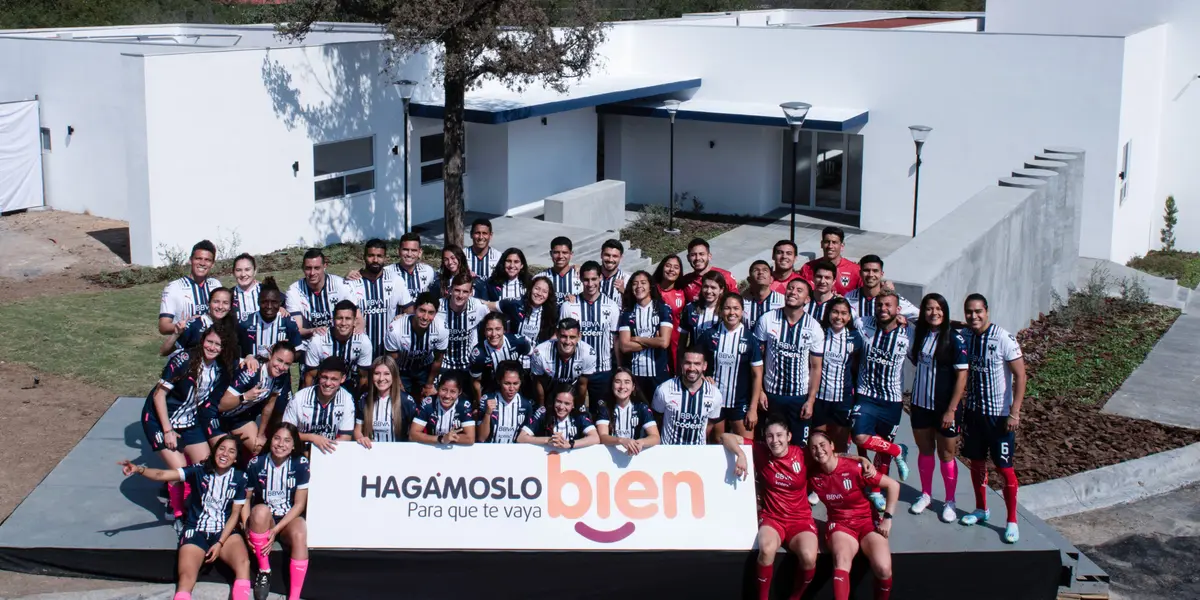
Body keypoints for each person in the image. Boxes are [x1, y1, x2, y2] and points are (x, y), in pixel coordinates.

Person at [118, 436, 251, 600]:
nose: (225, 454)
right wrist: (138, 469)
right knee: (186, 578)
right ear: (214, 451)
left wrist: (220, 542)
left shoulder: (240, 478)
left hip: (224, 533)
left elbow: (236, 513)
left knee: (243, 565)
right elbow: (162, 474)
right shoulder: (198, 470)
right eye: (221, 448)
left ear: (236, 457)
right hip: (196, 531)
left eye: (231, 451)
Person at [141, 326, 238, 522]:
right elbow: (160, 395)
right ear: (202, 340)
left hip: (189, 420)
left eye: (217, 344)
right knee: (180, 468)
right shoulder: (184, 359)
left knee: (207, 466)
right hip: (160, 419)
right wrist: (167, 430)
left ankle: (203, 506)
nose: (211, 347)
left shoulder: (222, 367)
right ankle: (177, 511)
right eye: (209, 341)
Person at [720, 417, 818, 600]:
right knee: (766, 550)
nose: (775, 441)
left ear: (789, 436)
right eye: (770, 436)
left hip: (801, 520)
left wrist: (861, 458)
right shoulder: (761, 450)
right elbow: (726, 436)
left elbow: (834, 456)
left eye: (779, 435)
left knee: (809, 557)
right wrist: (741, 454)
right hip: (773, 518)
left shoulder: (803, 454)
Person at [959, 293, 1026, 544]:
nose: (974, 316)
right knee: (977, 464)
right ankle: (981, 508)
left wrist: (1014, 412)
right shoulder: (965, 335)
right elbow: (950, 326)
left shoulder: (1004, 338)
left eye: (978, 311)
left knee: (1004, 469)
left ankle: (1011, 520)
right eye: (969, 312)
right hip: (974, 414)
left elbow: (1020, 376)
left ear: (987, 311)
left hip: (999, 417)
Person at [808, 431, 900, 600]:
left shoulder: (855, 468)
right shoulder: (812, 474)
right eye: (813, 448)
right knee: (842, 561)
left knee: (884, 568)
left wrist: (887, 519)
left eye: (822, 445)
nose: (819, 450)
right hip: (840, 524)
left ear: (832, 446)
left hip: (867, 521)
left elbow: (893, 485)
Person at [908, 293, 969, 522]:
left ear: (945, 311)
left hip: (945, 408)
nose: (934, 313)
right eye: (929, 309)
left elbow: (962, 376)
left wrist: (951, 409)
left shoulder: (955, 339)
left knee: (946, 454)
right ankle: (926, 494)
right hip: (920, 405)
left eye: (939, 309)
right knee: (925, 451)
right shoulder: (919, 335)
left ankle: (950, 501)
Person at [852, 291, 914, 510]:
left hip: (892, 400)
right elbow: (841, 307)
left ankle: (877, 489)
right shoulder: (864, 323)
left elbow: (920, 356)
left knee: (881, 451)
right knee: (860, 437)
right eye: (879, 305)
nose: (883, 308)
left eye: (888, 305)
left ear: (898, 310)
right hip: (866, 395)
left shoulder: (908, 334)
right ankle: (898, 450)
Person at [754, 278, 824, 446]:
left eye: (799, 290)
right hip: (771, 395)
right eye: (791, 288)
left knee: (799, 446)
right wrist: (760, 392)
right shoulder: (768, 319)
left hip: (798, 397)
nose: (793, 292)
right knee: (769, 443)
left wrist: (811, 400)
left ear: (807, 300)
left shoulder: (813, 327)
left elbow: (816, 367)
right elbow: (757, 360)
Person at [244, 423, 310, 600]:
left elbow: (299, 505)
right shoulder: (256, 463)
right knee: (259, 511)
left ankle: (294, 596)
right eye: (277, 438)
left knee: (300, 530)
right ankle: (264, 571)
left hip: (286, 519)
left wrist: (276, 530)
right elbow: (246, 500)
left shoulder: (301, 464)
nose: (281, 444)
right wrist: (246, 529)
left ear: (294, 445)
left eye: (287, 440)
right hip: (266, 519)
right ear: (270, 440)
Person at [211, 342, 296, 456]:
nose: (281, 367)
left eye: (287, 364)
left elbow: (269, 406)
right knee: (225, 454)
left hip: (238, 418)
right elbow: (221, 405)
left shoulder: (281, 377)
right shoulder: (252, 371)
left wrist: (260, 434)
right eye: (279, 360)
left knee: (261, 450)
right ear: (270, 356)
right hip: (214, 416)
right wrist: (244, 397)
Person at [697, 293, 763, 440]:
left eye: (736, 308)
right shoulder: (709, 335)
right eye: (727, 308)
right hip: (714, 400)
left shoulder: (750, 339)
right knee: (715, 446)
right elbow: (694, 363)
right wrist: (702, 377)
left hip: (740, 403)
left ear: (742, 311)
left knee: (746, 446)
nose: (732, 313)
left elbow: (757, 375)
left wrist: (753, 409)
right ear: (720, 310)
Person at [562, 261, 621, 417]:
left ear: (600, 278)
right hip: (575, 367)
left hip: (602, 369)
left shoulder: (611, 306)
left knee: (601, 413)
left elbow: (615, 339)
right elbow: (562, 337)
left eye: (594, 279)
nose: (590, 284)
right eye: (586, 280)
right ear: (580, 280)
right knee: (572, 411)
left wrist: (619, 365)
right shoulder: (569, 306)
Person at [285, 248, 361, 355]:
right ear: (302, 268)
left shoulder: (340, 285)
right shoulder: (294, 290)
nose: (312, 273)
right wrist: (313, 331)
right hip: (311, 347)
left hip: (340, 345)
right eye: (308, 268)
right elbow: (297, 330)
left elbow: (358, 319)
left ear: (325, 266)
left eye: (317, 268)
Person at [813, 298, 863, 455]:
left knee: (840, 444)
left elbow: (856, 365)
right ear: (828, 313)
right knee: (818, 441)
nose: (839, 317)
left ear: (849, 317)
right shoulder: (818, 331)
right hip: (819, 398)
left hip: (843, 399)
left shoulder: (855, 337)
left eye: (844, 313)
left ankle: (839, 477)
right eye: (835, 312)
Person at [349, 239, 414, 358]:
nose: (375, 260)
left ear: (385, 258)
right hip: (359, 349)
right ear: (364, 257)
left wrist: (403, 317)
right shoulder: (352, 282)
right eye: (371, 256)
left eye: (379, 256)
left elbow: (410, 309)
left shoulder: (395, 280)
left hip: (387, 350)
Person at [618, 270, 675, 401]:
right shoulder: (627, 312)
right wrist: (653, 341)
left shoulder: (663, 309)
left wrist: (638, 339)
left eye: (643, 283)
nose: (639, 286)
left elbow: (664, 342)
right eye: (635, 283)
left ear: (650, 286)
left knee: (658, 414)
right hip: (635, 374)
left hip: (658, 373)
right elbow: (625, 346)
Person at [282, 357, 355, 454]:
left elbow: (345, 437)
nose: (328, 383)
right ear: (319, 375)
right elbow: (285, 433)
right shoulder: (299, 398)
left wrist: (322, 454)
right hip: (299, 451)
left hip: (329, 453)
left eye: (334, 379)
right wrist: (312, 438)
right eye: (324, 377)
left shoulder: (347, 399)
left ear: (343, 379)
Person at [652, 346, 723, 445]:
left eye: (697, 364)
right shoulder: (664, 389)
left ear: (704, 366)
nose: (692, 368)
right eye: (687, 363)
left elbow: (710, 424)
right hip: (669, 452)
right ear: (681, 364)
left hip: (697, 452)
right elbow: (657, 420)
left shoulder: (715, 394)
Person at [303, 300, 373, 397]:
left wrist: (359, 403)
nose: (343, 323)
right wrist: (307, 399)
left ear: (354, 321)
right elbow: (310, 376)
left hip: (350, 385)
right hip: (323, 386)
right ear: (333, 320)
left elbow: (364, 377)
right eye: (339, 318)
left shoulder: (364, 342)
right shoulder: (317, 341)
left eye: (348, 318)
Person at [384, 293, 446, 399]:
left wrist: (429, 384)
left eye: (431, 313)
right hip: (401, 369)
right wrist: (398, 383)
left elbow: (438, 359)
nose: (425, 317)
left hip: (425, 368)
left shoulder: (442, 328)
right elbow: (391, 361)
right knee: (401, 401)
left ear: (436, 313)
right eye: (422, 311)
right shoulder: (396, 329)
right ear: (414, 309)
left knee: (428, 401)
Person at [432, 273, 491, 383]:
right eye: (457, 290)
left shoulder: (477, 306)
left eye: (465, 292)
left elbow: (495, 314)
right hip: (443, 364)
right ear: (450, 290)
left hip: (467, 364)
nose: (460, 295)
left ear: (471, 293)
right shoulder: (438, 307)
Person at [158, 240, 223, 335]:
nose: (202, 263)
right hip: (185, 347)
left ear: (212, 264)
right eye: (198, 258)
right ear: (190, 260)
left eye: (207, 260)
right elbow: (163, 326)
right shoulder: (174, 288)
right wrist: (185, 325)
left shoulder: (216, 285)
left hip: (211, 346)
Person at [530, 318, 596, 408]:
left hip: (572, 392)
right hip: (549, 391)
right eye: (563, 336)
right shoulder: (540, 352)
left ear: (579, 337)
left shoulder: (588, 353)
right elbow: (538, 383)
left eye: (572, 337)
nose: (568, 342)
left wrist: (579, 408)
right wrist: (541, 407)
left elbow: (582, 384)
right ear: (557, 334)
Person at [354, 356, 418, 445]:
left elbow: (415, 434)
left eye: (387, 374)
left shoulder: (407, 401)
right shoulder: (364, 399)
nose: (381, 378)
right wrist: (361, 438)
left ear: (394, 376)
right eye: (377, 373)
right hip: (371, 452)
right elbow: (358, 430)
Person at [496, 276, 559, 365]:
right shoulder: (515, 305)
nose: (540, 293)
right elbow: (489, 305)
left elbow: (558, 332)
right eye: (537, 289)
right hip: (512, 360)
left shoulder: (551, 312)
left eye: (545, 291)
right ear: (530, 289)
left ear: (549, 295)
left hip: (536, 362)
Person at [596, 368, 660, 454]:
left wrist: (640, 442)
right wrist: (621, 440)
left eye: (627, 382)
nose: (622, 386)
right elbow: (602, 437)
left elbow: (656, 437)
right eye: (618, 381)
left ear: (633, 387)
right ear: (612, 385)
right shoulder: (604, 407)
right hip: (610, 456)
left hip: (636, 454)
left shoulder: (641, 408)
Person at [238, 277, 302, 362]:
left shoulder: (288, 322)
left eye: (274, 302)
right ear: (258, 302)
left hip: (280, 373)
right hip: (252, 373)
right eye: (264, 302)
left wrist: (283, 353)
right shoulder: (245, 323)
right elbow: (236, 353)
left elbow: (298, 352)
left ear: (280, 302)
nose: (269, 306)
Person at [468, 311, 531, 397]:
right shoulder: (478, 354)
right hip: (491, 390)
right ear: (484, 331)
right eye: (489, 329)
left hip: (514, 388)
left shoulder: (518, 342)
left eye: (498, 329)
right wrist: (479, 404)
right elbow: (476, 381)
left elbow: (532, 355)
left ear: (504, 330)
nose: (494, 334)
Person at [517, 384, 600, 449]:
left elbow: (596, 438)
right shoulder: (543, 414)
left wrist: (570, 444)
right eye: (558, 402)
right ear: (553, 401)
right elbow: (521, 438)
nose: (561, 407)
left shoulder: (579, 416)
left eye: (567, 403)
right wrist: (547, 440)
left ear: (573, 405)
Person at [162, 287, 238, 357]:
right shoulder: (195, 325)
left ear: (230, 307)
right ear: (209, 304)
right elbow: (164, 352)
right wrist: (176, 334)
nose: (220, 306)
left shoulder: (233, 325)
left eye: (225, 303)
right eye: (216, 302)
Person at [475, 361, 535, 444]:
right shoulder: (487, 400)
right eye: (507, 383)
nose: (511, 388)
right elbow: (481, 438)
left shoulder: (526, 405)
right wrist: (488, 414)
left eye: (515, 383)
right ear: (499, 381)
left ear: (521, 382)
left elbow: (526, 437)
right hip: (490, 451)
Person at [845, 255, 917, 322]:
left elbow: (918, 316)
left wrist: (905, 322)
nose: (870, 274)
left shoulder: (893, 298)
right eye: (866, 270)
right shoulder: (849, 298)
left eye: (875, 271)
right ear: (860, 273)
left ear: (881, 274)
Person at [409, 374, 476, 446]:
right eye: (443, 390)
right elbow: (413, 435)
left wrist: (449, 439)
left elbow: (470, 439)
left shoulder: (464, 406)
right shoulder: (428, 403)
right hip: (431, 447)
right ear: (438, 388)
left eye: (453, 391)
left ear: (459, 392)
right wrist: (441, 439)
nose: (447, 396)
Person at [678, 270, 727, 361]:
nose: (709, 291)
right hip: (695, 360)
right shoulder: (691, 308)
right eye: (705, 287)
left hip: (718, 361)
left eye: (713, 287)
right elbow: (682, 342)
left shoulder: (726, 310)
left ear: (721, 290)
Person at [798, 226, 861, 296]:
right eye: (827, 242)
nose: (830, 246)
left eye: (834, 242)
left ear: (842, 246)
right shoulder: (807, 268)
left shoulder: (855, 270)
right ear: (821, 244)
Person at [652, 255, 687, 374]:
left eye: (676, 267)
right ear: (662, 267)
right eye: (668, 266)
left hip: (675, 342)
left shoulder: (682, 292)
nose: (671, 270)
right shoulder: (650, 289)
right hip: (653, 340)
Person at [680, 238, 739, 304]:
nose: (698, 258)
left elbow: (737, 304)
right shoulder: (685, 281)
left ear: (709, 256)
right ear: (688, 258)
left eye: (701, 254)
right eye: (693, 255)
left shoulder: (725, 277)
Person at [385, 232, 437, 299]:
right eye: (405, 250)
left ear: (420, 252)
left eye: (414, 250)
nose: (409, 254)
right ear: (398, 251)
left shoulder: (428, 271)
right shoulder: (387, 272)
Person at [538, 236, 583, 305]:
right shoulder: (540, 278)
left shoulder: (581, 277)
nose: (560, 256)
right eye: (556, 252)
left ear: (571, 254)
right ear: (551, 253)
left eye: (564, 252)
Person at [742, 260, 784, 331]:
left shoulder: (782, 302)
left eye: (765, 270)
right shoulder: (741, 301)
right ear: (749, 280)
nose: (761, 272)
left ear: (771, 279)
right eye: (756, 270)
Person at [231, 253, 262, 321]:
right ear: (233, 272)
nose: (243, 274)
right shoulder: (228, 295)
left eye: (247, 269)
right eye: (238, 270)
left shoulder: (266, 290)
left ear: (255, 271)